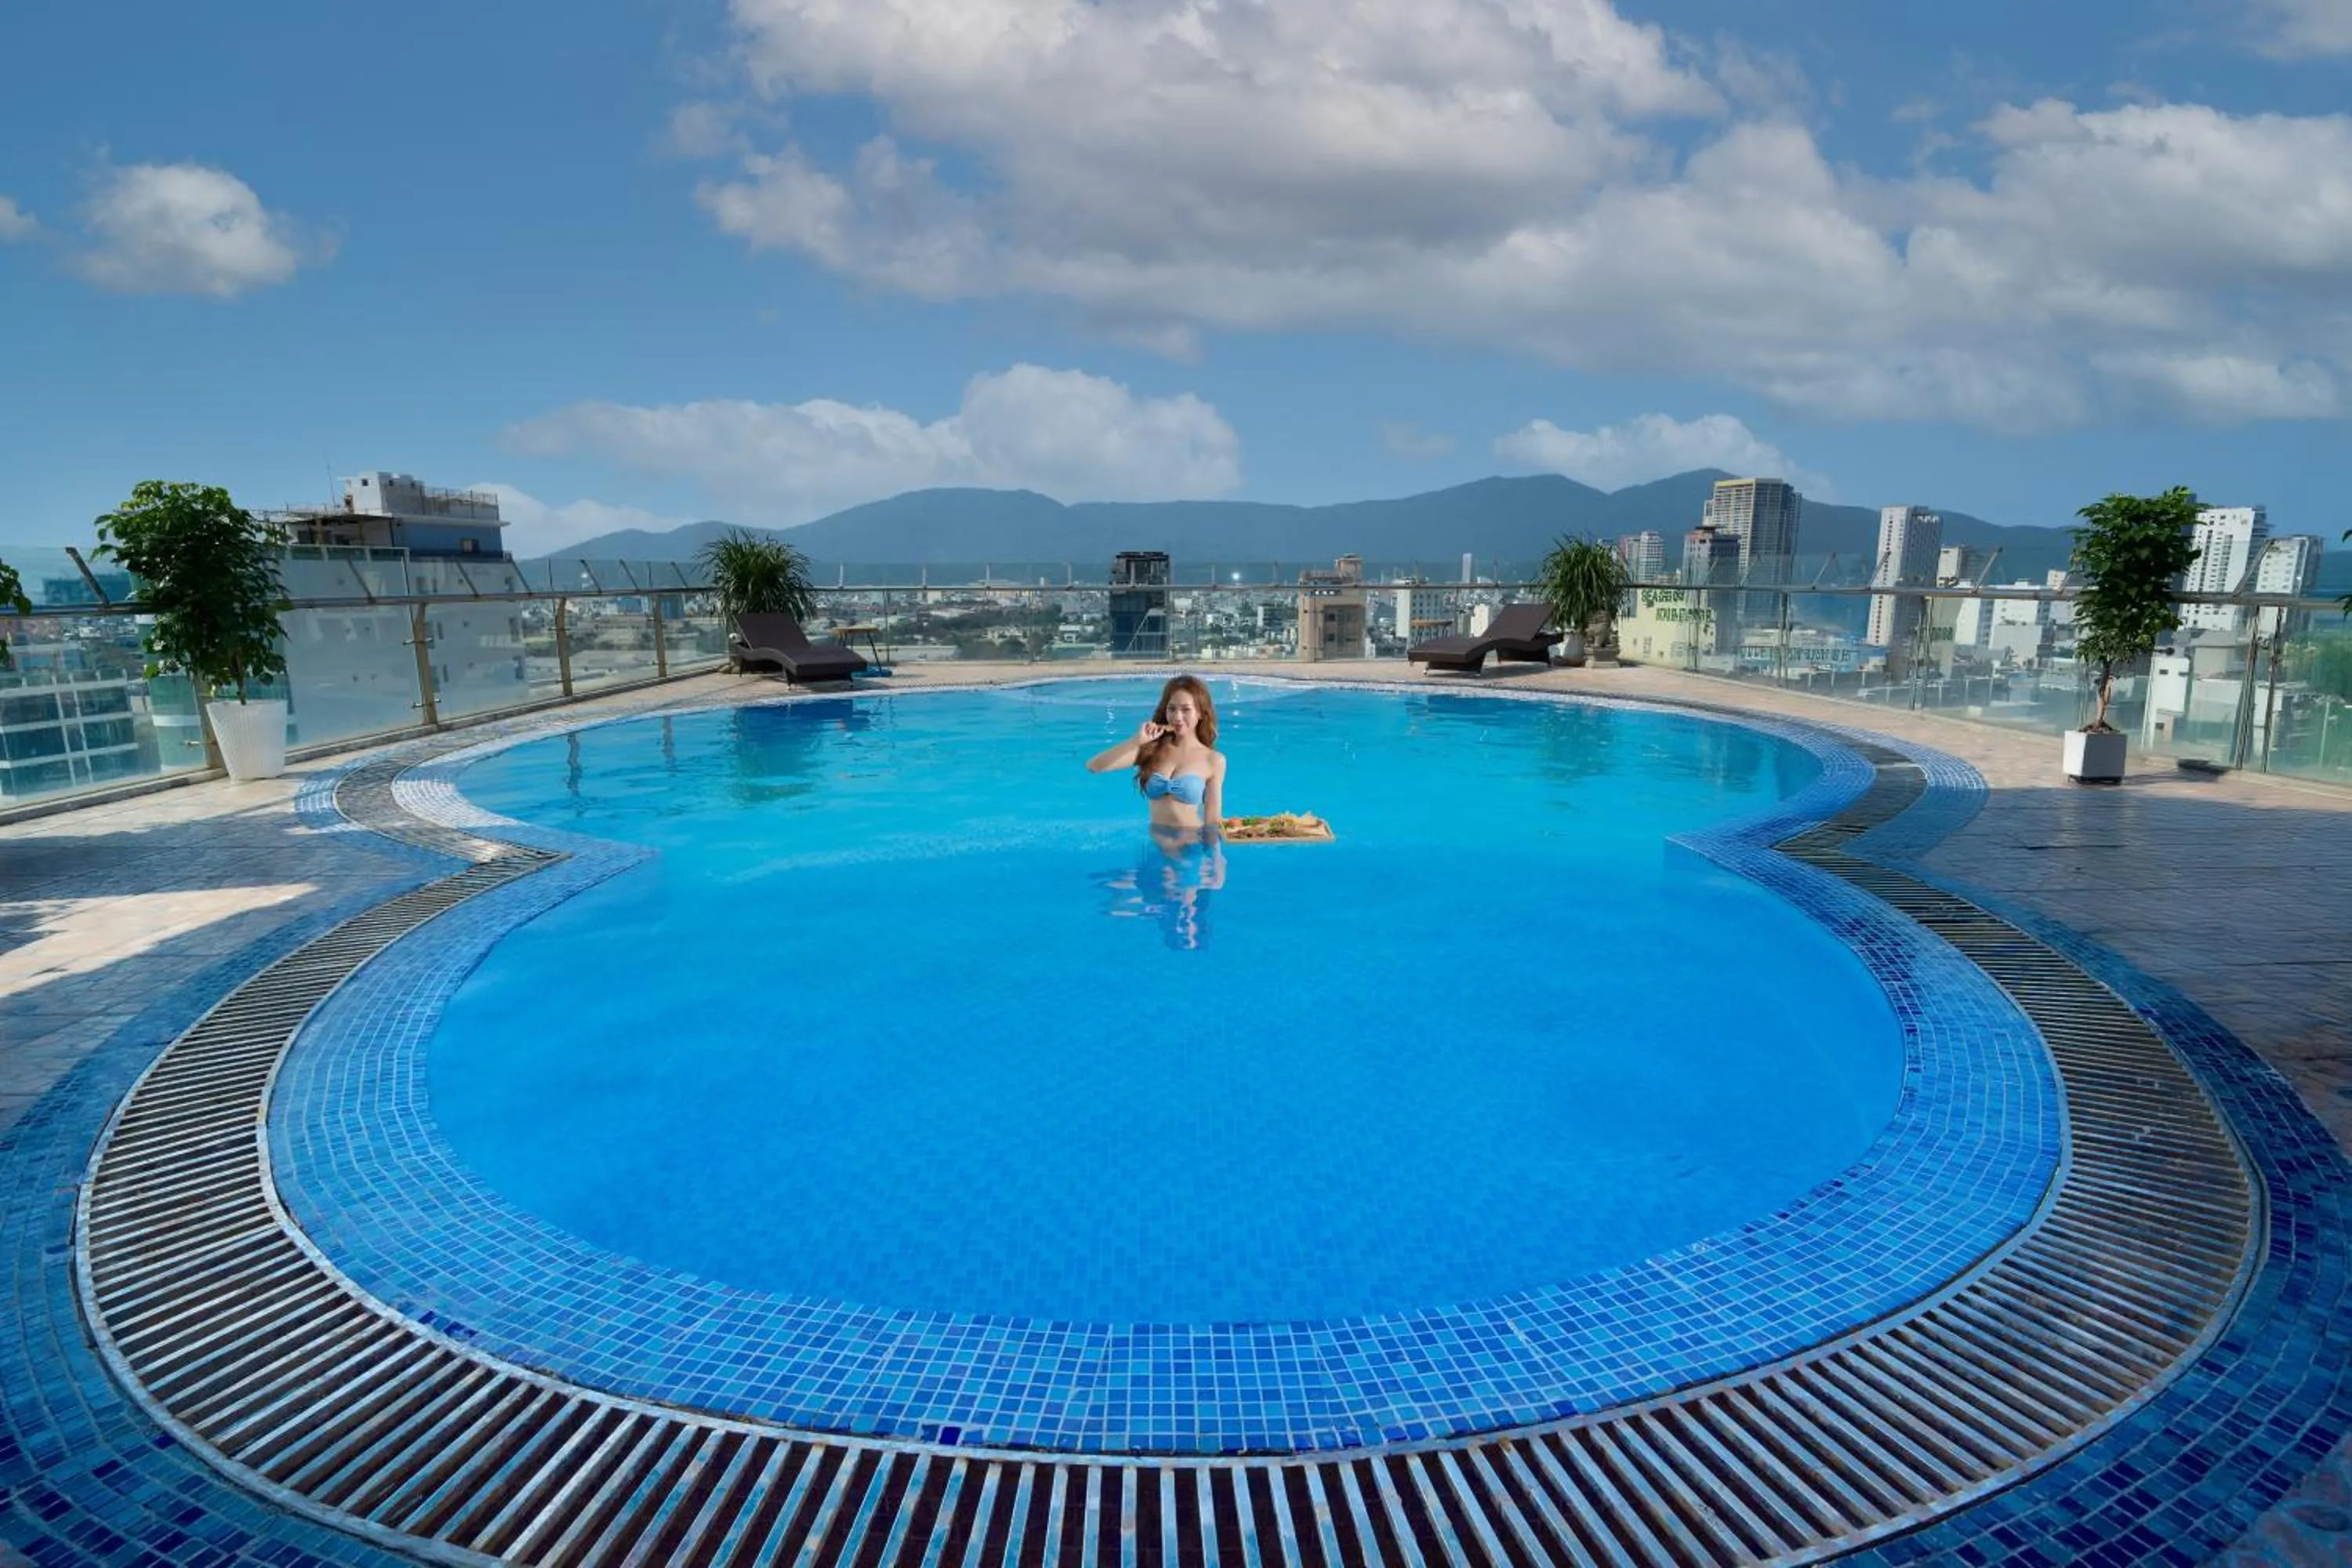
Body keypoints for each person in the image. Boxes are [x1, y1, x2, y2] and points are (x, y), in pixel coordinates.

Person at [1085, 674, 1227, 846]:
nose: (1177, 717)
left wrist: (1216, 865)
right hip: (1156, 848)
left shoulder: (1213, 760)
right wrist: (1135, 741)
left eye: (1186, 709)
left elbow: (1212, 822)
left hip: (1191, 846)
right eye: (1172, 709)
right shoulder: (1152, 749)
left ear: (1201, 713)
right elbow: (1094, 766)